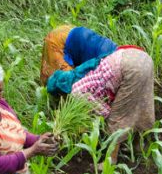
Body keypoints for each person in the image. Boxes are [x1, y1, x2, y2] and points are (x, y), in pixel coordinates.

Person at [41, 28, 155, 165]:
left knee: (117, 117)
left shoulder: (77, 91)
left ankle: (110, 160)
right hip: (141, 57)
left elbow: (105, 112)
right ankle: (141, 147)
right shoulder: (86, 71)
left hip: (130, 68)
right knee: (142, 104)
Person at [38, 24, 119, 85]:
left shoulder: (117, 54)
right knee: (64, 80)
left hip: (75, 33)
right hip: (59, 40)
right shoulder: (108, 65)